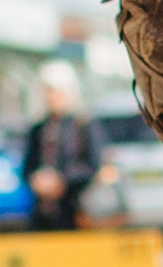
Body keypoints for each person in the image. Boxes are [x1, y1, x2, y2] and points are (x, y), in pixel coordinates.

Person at [21, 63, 102, 233]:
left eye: (55, 91)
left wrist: (62, 181)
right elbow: (28, 166)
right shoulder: (38, 129)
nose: (51, 97)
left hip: (76, 211)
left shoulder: (83, 125)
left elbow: (93, 164)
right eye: (47, 91)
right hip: (43, 215)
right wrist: (37, 181)